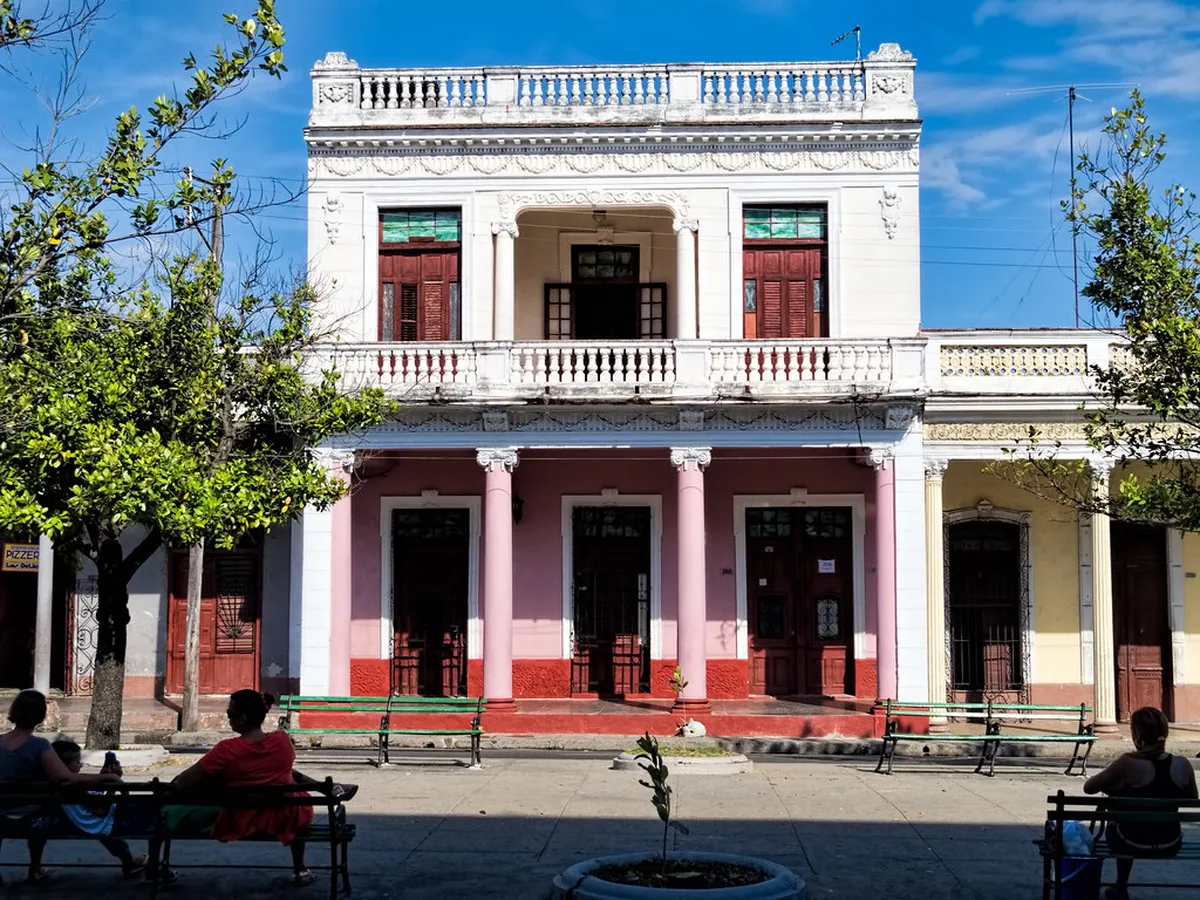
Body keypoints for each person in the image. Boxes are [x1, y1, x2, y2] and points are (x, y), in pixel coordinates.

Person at [165, 690, 349, 887]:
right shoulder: (282, 742)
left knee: (169, 811)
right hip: (285, 815)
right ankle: (300, 868)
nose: (228, 719)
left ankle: (157, 864)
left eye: (229, 714)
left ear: (242, 718)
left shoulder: (226, 750)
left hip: (241, 817)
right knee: (291, 785)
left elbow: (184, 781)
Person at [0, 689, 120, 884]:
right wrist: (105, 778)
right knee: (57, 806)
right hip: (34, 817)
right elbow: (65, 779)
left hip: (2, 813)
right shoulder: (39, 746)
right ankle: (35, 867)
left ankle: (35, 868)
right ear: (40, 715)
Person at [1083, 706, 1198, 900]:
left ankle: (1121, 885)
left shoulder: (1127, 763)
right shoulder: (1182, 764)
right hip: (1170, 842)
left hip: (1129, 842)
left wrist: (1118, 789)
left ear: (1138, 735)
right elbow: (1192, 799)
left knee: (1123, 817)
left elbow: (1089, 787)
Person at [51, 740, 149, 877]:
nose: (81, 765)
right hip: (94, 823)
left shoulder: (64, 783)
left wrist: (103, 777)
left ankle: (130, 861)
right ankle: (143, 864)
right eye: (77, 762)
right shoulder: (72, 787)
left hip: (83, 821)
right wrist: (113, 787)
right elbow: (101, 811)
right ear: (64, 766)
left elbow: (91, 795)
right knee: (148, 813)